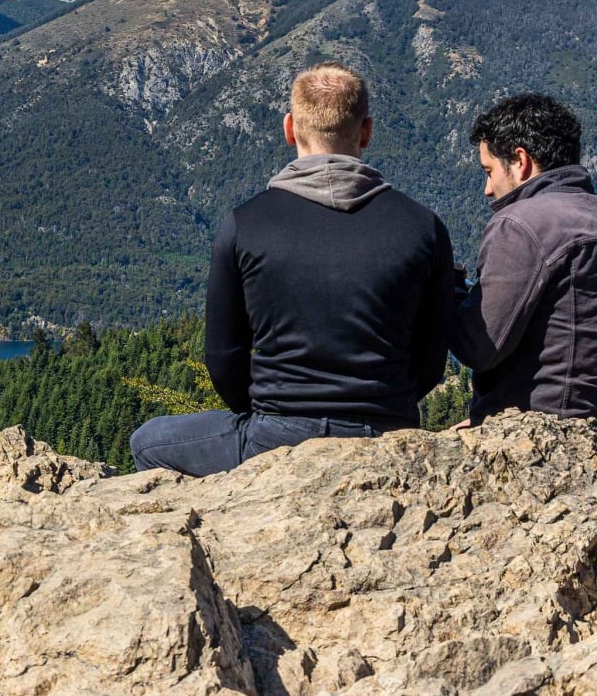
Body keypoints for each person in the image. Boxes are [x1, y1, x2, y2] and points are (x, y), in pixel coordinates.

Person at [129, 62, 455, 475]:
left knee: (148, 441)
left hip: (276, 435)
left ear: (289, 128)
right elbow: (431, 358)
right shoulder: (422, 226)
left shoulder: (246, 223)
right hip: (387, 431)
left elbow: (223, 357)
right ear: (367, 131)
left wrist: (267, 414)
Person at [449, 93, 597, 427]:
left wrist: (452, 291)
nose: (487, 189)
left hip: (540, 437)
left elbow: (478, 345)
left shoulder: (522, 223)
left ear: (520, 161)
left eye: (488, 171)